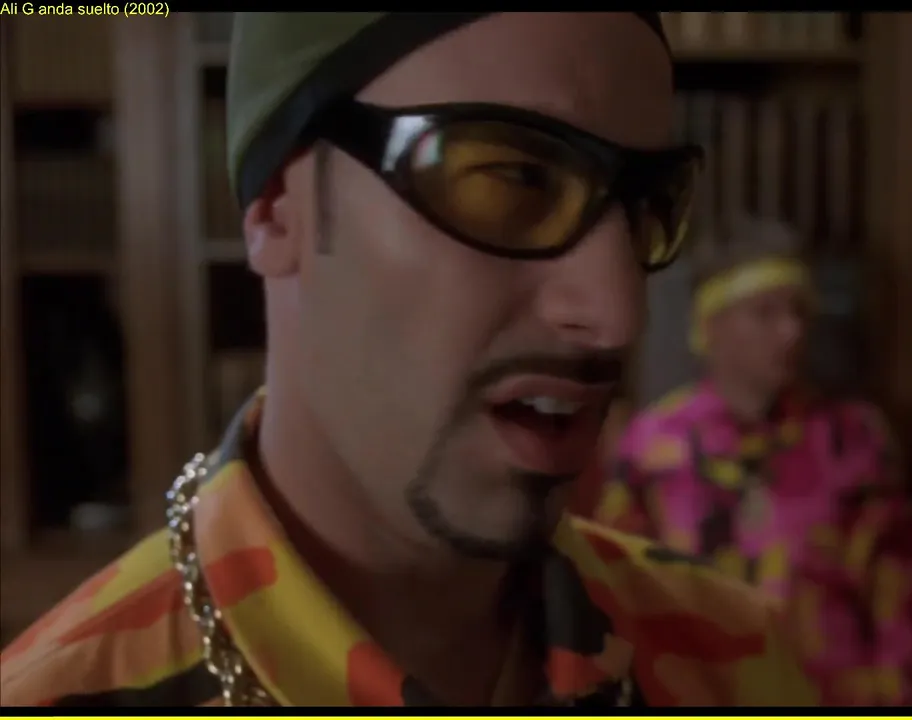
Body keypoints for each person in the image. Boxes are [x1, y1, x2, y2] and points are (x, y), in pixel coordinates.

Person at [0, 13, 820, 707]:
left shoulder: (736, 660)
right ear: (276, 208)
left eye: (646, 208)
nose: (616, 314)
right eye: (512, 179)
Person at [596, 217, 912, 705]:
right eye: (766, 313)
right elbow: (616, 598)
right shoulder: (653, 445)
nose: (791, 331)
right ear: (711, 325)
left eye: (799, 312)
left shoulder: (855, 438)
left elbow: (895, 600)